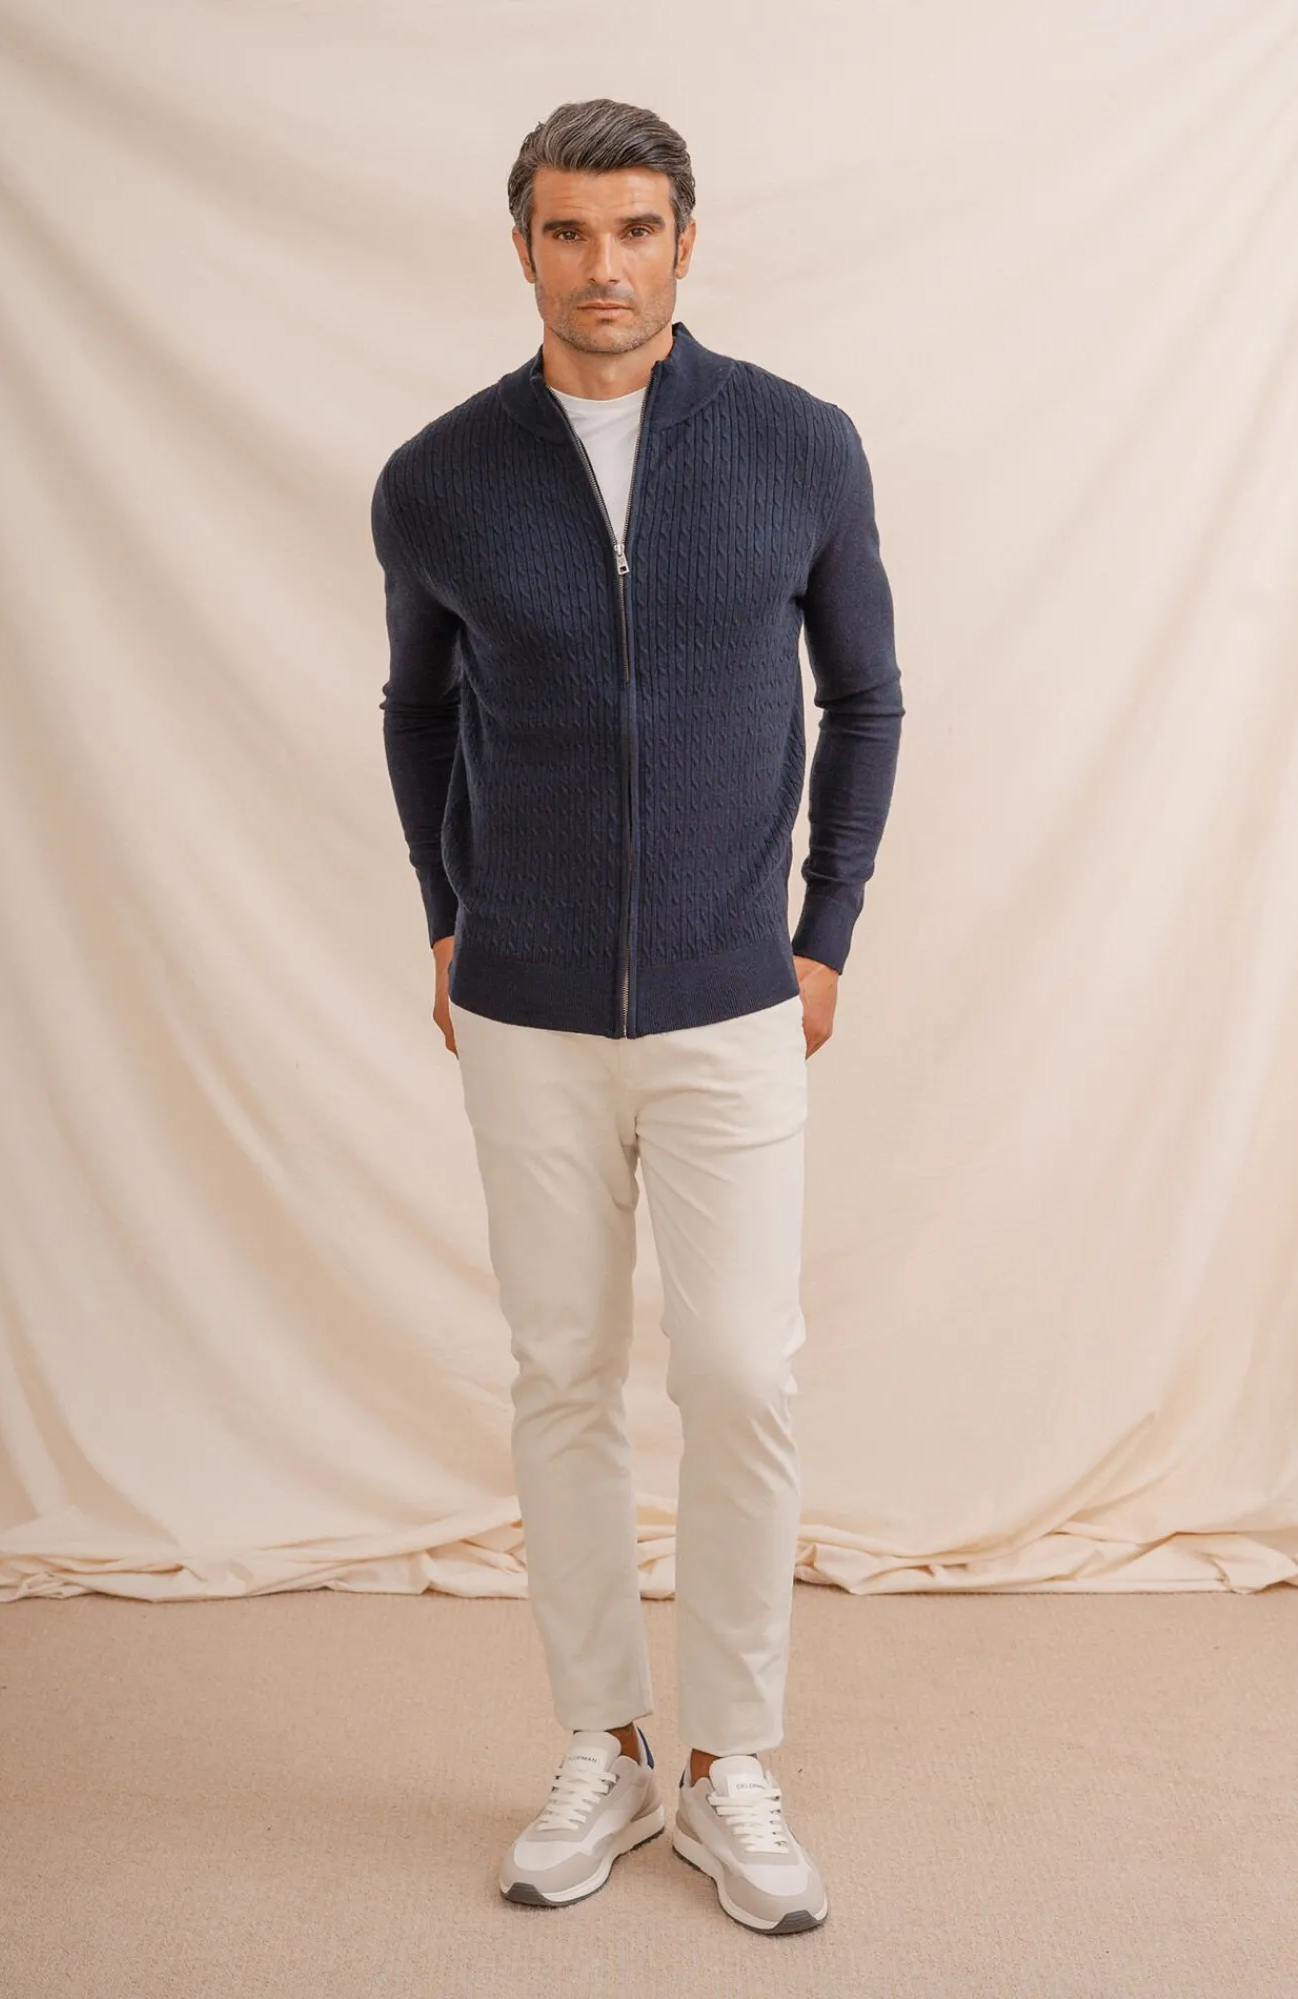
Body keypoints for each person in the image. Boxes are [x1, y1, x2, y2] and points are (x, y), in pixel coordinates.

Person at [371, 97, 903, 1934]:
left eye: (637, 229)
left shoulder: (797, 444)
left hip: (733, 1000)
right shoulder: (440, 477)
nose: (604, 266)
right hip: (522, 1007)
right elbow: (416, 710)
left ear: (687, 239)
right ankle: (602, 1739)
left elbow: (867, 697)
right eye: (569, 231)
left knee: (743, 1370)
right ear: (523, 245)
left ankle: (727, 1760)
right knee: (562, 1375)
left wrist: (823, 933)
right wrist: (449, 917)